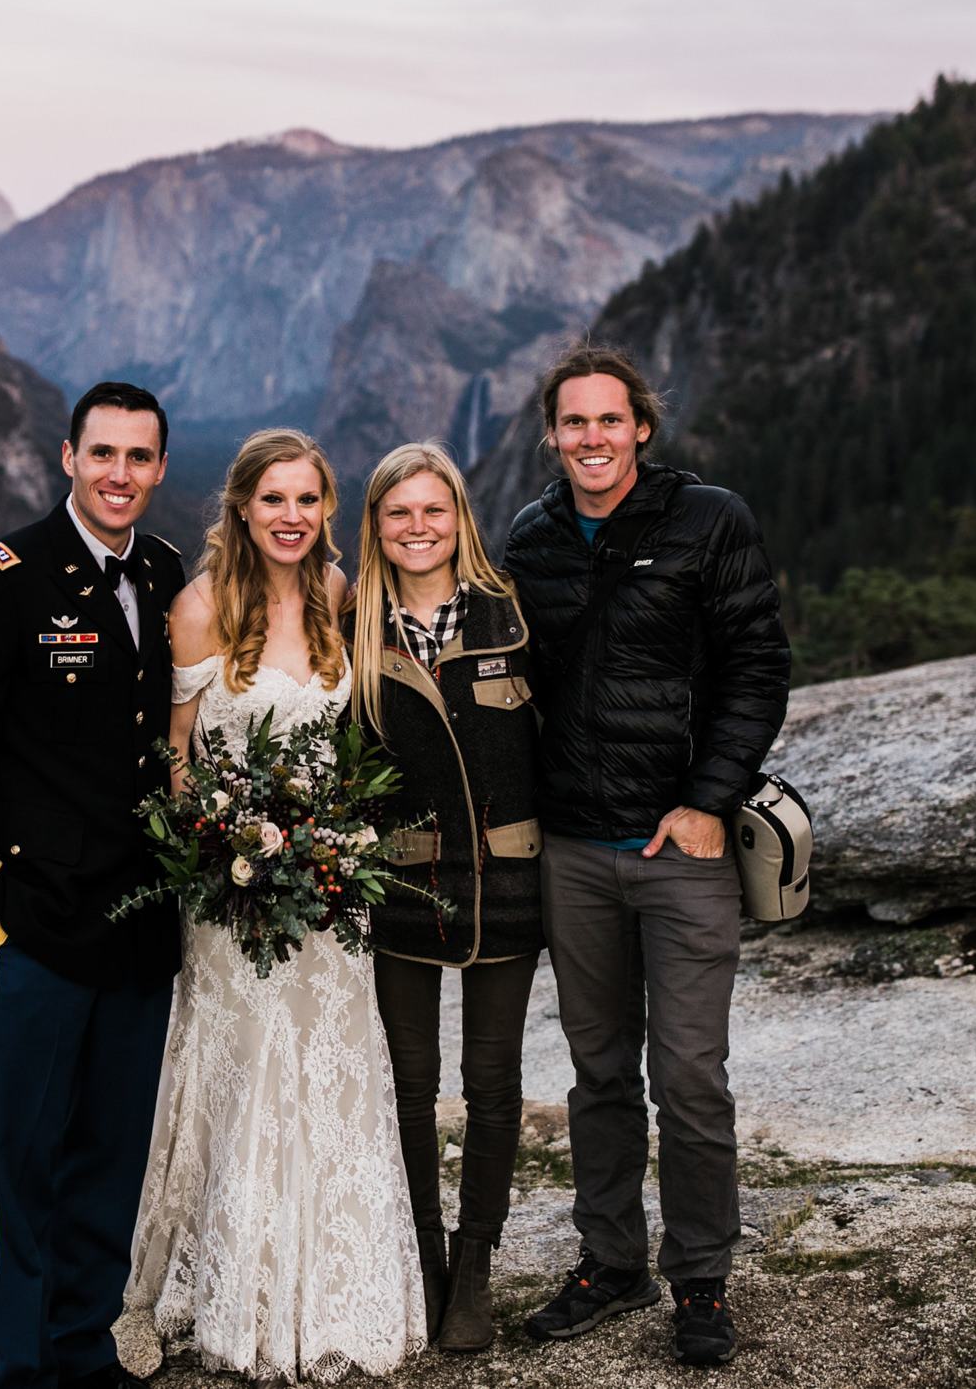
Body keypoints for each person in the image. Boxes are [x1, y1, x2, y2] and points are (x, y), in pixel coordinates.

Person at [501, 345, 790, 1368]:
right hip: (572, 850)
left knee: (690, 1076)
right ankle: (609, 1258)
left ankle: (701, 1275)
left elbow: (759, 665)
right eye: (572, 422)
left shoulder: (708, 520)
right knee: (597, 1074)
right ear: (551, 432)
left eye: (608, 420)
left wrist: (710, 801)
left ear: (642, 428)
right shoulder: (529, 539)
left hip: (681, 850)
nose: (591, 438)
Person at [125, 428, 428, 1382]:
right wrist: (214, 838)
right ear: (242, 509)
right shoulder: (199, 609)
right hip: (233, 898)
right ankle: (238, 1293)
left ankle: (339, 1291)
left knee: (335, 1068)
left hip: (334, 890)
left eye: (307, 500)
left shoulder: (341, 598)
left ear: (324, 509)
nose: (291, 517)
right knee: (248, 1070)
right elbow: (177, 750)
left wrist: (338, 834)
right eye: (273, 500)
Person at [0, 382, 189, 1389]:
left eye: (139, 457)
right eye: (101, 453)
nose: (119, 473)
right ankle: (15, 1368)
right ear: (66, 455)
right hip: (36, 922)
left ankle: (82, 1346)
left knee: (108, 1160)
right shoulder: (1, 578)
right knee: (16, 1161)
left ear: (160, 467)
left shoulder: (163, 573)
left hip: (143, 923)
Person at [346, 442, 545, 1354]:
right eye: (398, 513)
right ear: (376, 526)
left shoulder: (514, 614)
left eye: (434, 510)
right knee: (410, 1087)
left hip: (508, 878)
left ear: (460, 516)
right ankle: (422, 1253)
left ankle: (476, 1266)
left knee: (493, 1085)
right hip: (403, 885)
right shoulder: (354, 627)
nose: (417, 528)